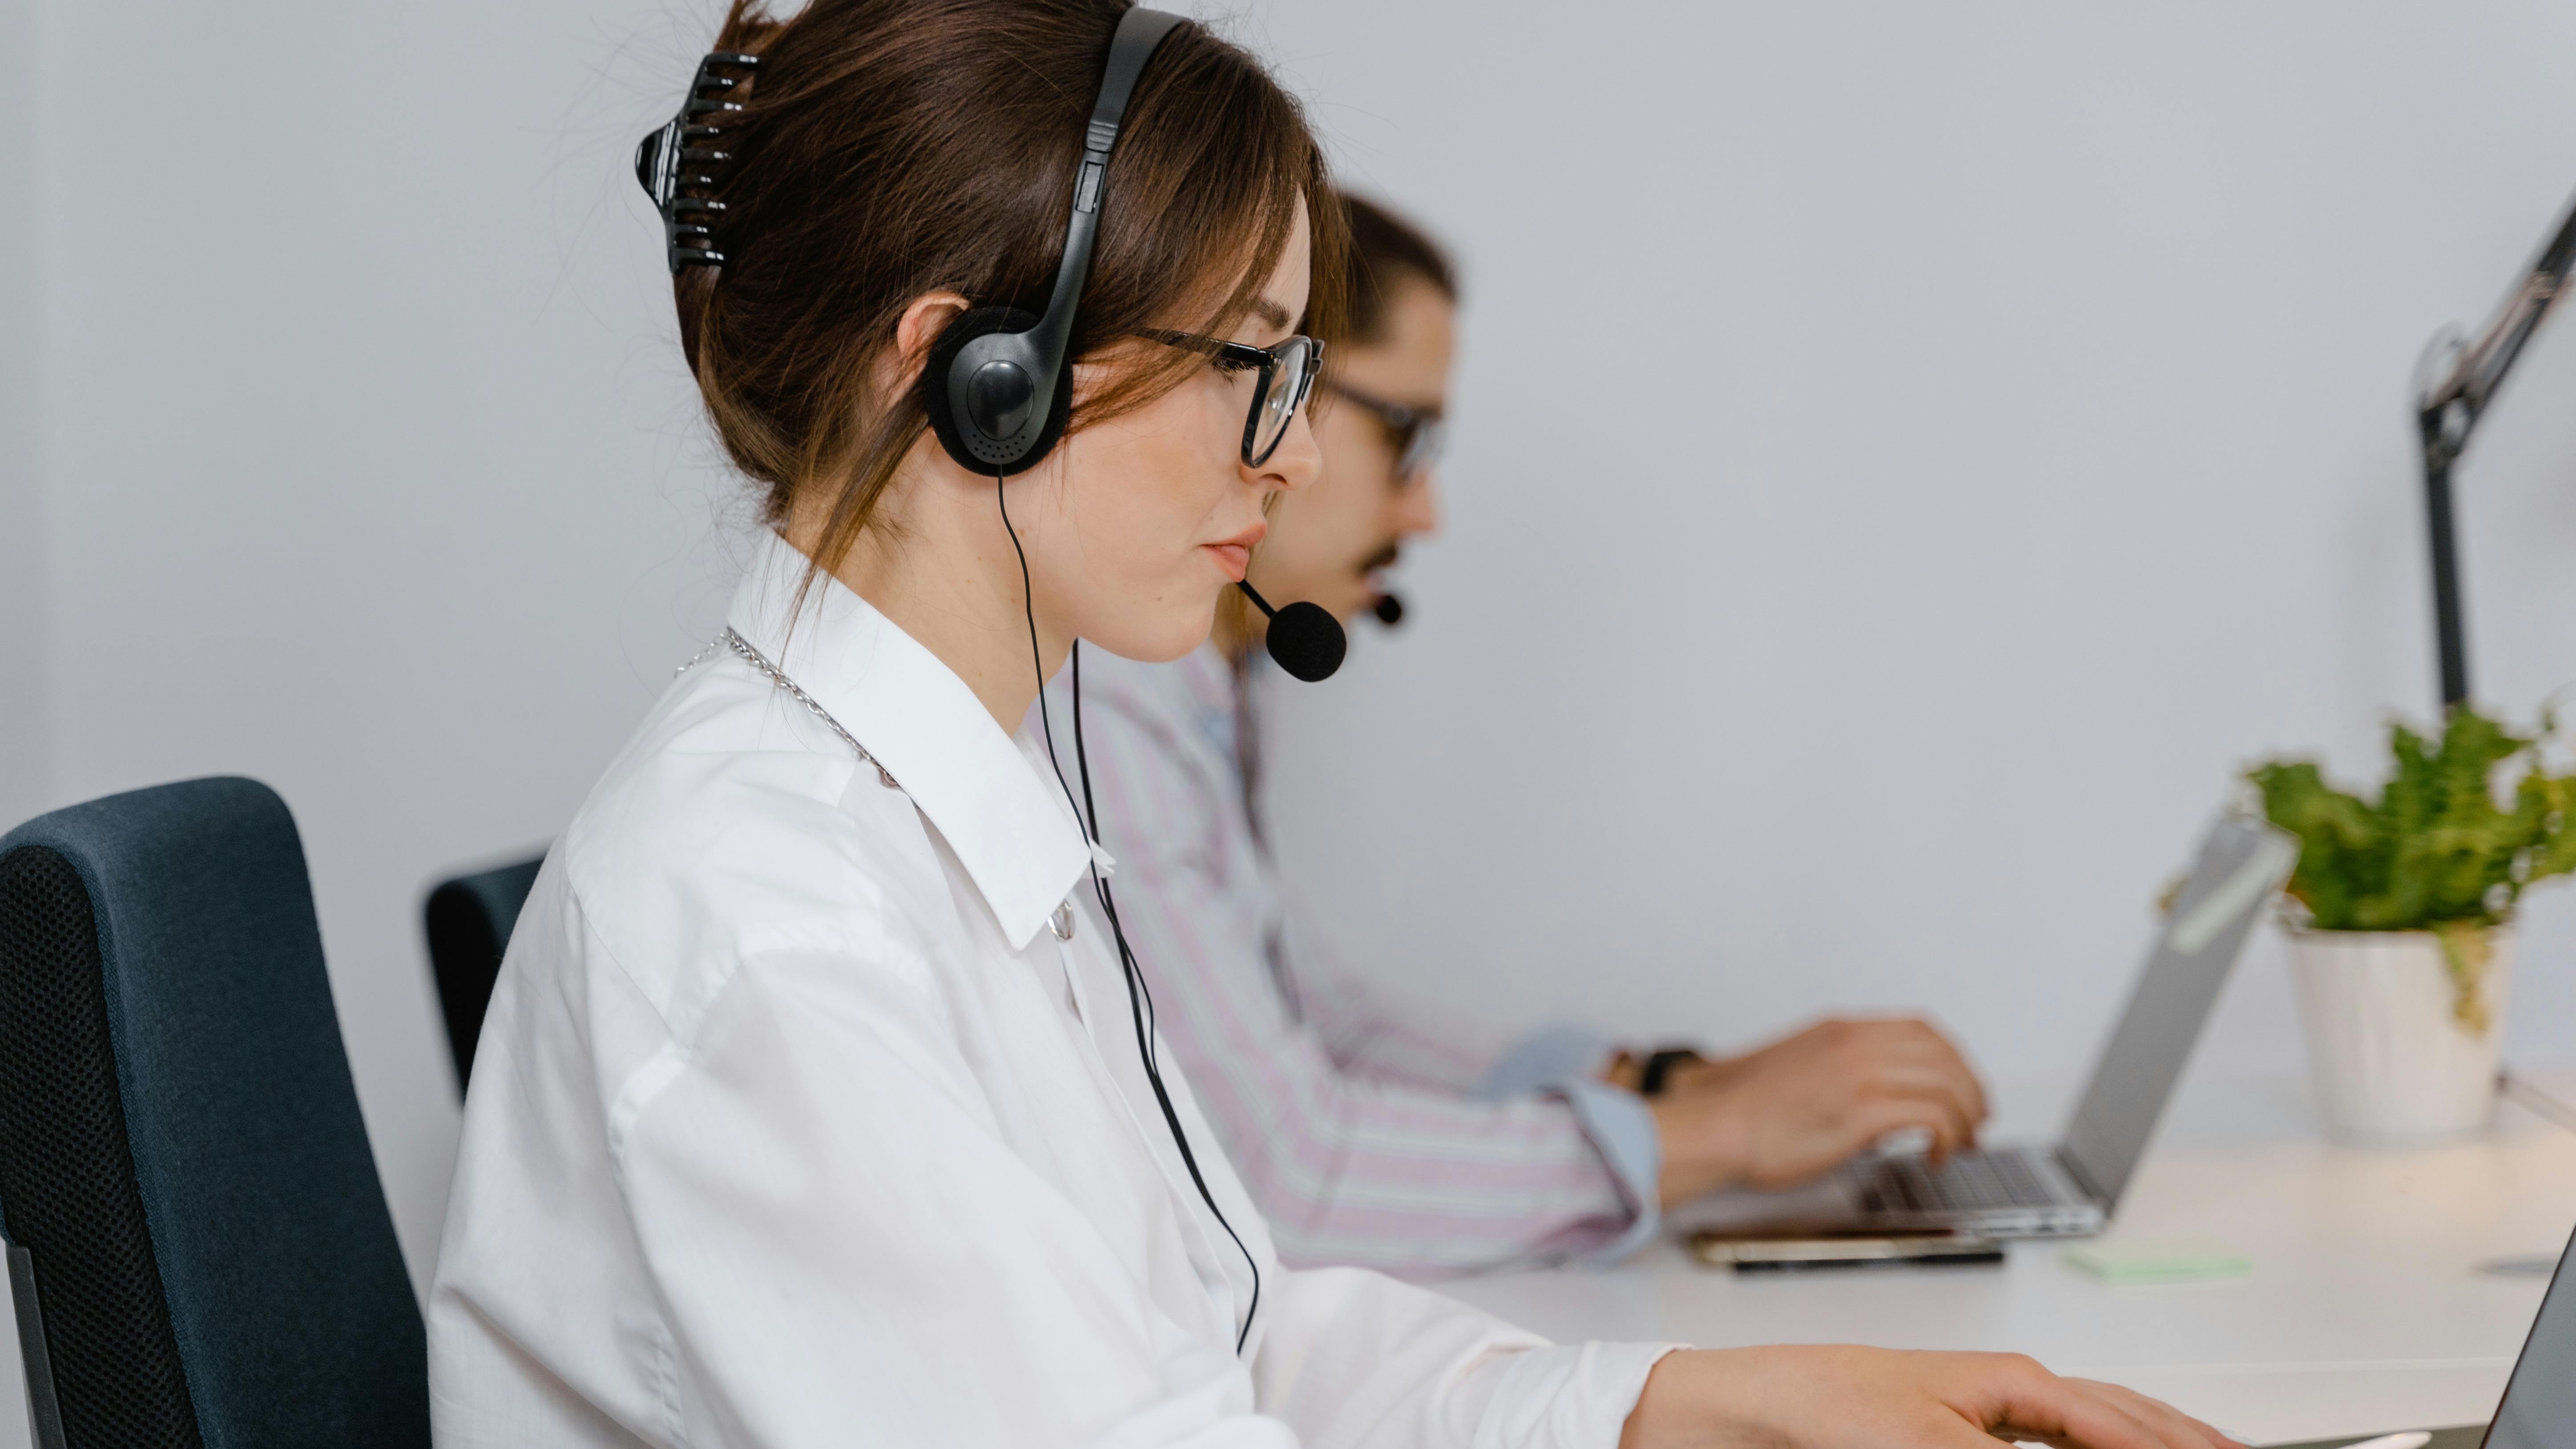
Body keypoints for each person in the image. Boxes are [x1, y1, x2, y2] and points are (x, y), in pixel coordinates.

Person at [429, 3, 2237, 1446]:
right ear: (971, 379)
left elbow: (1233, 1326)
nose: (1287, 454)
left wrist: (1691, 1400)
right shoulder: (775, 919)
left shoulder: (949, 820)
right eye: (1251, 366)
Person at [1051, 194, 1992, 1276]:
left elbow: (1319, 1018)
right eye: (1402, 435)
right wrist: (1709, 1137)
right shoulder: (1099, 702)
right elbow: (1285, 1177)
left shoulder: (1187, 691)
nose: (1423, 514)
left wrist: (1658, 1089)